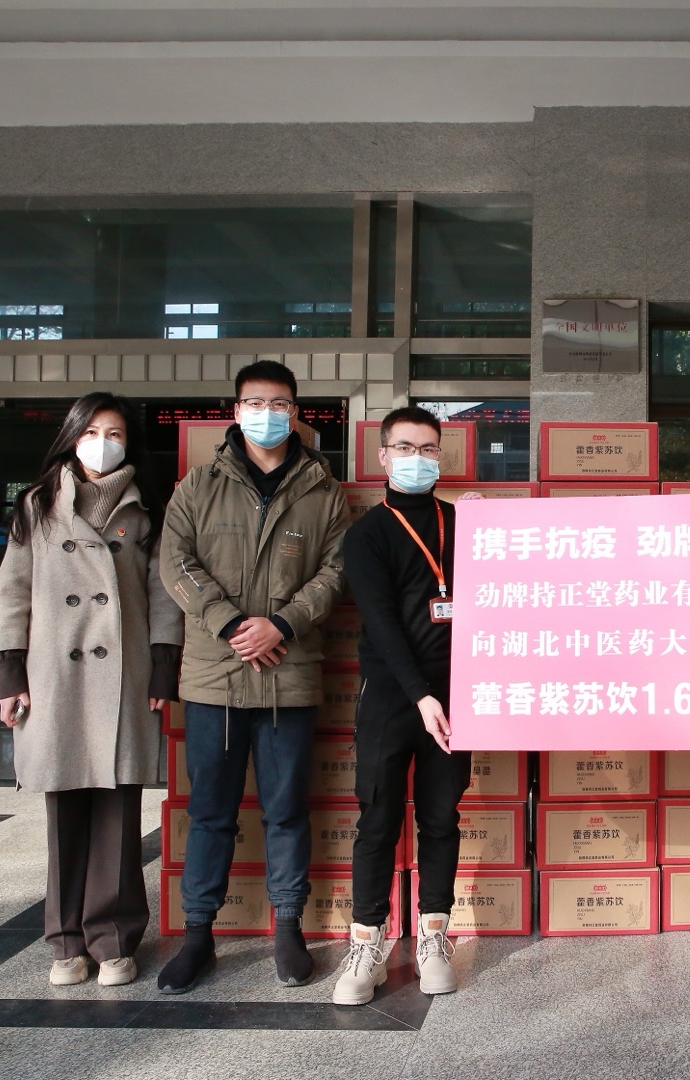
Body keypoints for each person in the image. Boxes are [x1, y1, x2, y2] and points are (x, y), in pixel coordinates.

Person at [156, 360, 350, 993]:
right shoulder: (198, 484)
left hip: (287, 675)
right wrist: (233, 624)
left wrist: (282, 625)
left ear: (296, 413)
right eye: (255, 403)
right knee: (210, 811)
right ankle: (197, 935)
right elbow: (174, 562)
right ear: (235, 410)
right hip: (215, 675)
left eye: (280, 404)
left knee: (286, 810)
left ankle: (288, 928)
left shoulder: (323, 489)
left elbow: (336, 572)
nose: (267, 414)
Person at [0, 392, 183, 988]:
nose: (104, 443)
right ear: (72, 438)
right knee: (65, 811)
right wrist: (10, 676)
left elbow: (163, 594)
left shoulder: (147, 508)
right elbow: (12, 593)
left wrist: (163, 667)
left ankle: (115, 939)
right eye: (93, 432)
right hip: (54, 677)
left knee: (119, 812)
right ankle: (66, 941)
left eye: (116, 433)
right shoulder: (36, 505)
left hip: (125, 675)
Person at [333, 406, 474, 1006]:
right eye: (406, 448)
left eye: (429, 449)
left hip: (455, 696)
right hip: (392, 697)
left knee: (441, 817)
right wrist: (420, 695)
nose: (418, 459)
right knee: (378, 818)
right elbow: (382, 622)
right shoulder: (367, 533)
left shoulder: (460, 523)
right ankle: (367, 942)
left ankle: (433, 936)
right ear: (383, 457)